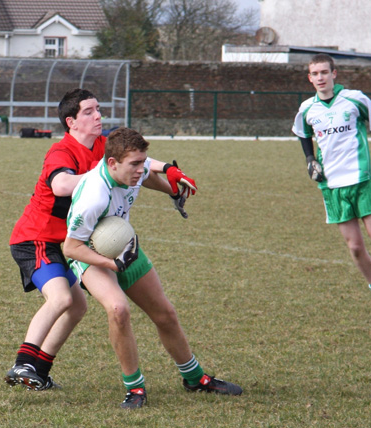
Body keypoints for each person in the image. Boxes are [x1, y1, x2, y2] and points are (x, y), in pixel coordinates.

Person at [5, 89, 193, 391]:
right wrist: (103, 175)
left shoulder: (102, 145)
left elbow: (135, 161)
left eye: (99, 109)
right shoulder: (61, 152)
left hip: (70, 240)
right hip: (39, 237)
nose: (98, 116)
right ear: (71, 121)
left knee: (77, 307)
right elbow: (62, 184)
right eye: (89, 111)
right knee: (62, 299)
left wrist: (167, 170)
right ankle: (23, 361)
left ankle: (38, 370)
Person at [63, 127, 242, 409]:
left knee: (165, 313)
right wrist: (112, 264)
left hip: (124, 246)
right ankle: (134, 389)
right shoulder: (93, 196)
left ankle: (195, 378)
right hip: (89, 254)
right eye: (134, 164)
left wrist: (172, 188)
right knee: (118, 310)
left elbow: (147, 174)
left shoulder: (131, 171)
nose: (140, 169)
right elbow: (70, 248)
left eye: (142, 161)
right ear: (112, 163)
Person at [292, 53, 371, 314]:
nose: (320, 77)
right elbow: (303, 134)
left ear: (334, 74)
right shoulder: (307, 109)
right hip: (331, 185)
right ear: (310, 78)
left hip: (360, 180)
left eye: (324, 72)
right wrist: (310, 159)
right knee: (356, 247)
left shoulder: (354, 98)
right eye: (315, 74)